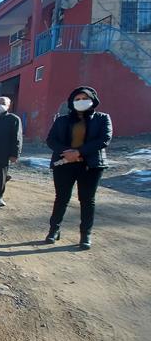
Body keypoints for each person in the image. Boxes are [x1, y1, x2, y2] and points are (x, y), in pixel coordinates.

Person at [45, 86, 112, 250]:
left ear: (93, 100)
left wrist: (79, 152)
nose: (81, 101)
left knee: (87, 200)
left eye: (85, 98)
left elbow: (104, 139)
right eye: (77, 99)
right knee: (61, 198)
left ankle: (85, 234)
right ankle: (54, 230)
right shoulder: (61, 120)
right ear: (72, 102)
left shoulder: (102, 118)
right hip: (64, 164)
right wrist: (66, 153)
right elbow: (51, 140)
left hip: (90, 165)